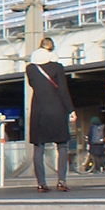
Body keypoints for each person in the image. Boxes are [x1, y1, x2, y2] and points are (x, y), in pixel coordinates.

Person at [25, 37, 75, 193]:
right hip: (57, 110)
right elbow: (63, 90)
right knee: (62, 146)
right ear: (52, 49)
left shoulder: (30, 69)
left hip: (39, 110)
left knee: (39, 148)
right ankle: (61, 181)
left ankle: (41, 183)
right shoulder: (57, 67)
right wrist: (71, 110)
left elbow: (33, 84)